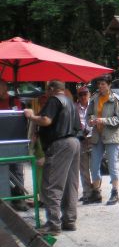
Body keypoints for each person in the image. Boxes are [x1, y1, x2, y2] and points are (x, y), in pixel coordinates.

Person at [23, 80, 81, 235]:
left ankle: (53, 224)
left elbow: (46, 120)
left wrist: (32, 116)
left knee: (51, 185)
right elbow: (78, 127)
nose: (45, 93)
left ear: (52, 89)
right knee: (70, 184)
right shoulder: (71, 102)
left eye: (47, 90)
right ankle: (69, 220)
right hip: (74, 142)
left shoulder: (54, 100)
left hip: (59, 143)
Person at [85, 75, 119, 205]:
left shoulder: (115, 99)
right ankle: (96, 193)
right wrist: (91, 121)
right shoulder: (95, 98)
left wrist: (104, 120)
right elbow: (89, 114)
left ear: (109, 85)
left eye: (103, 84)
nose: (100, 86)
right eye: (99, 84)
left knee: (112, 165)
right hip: (97, 135)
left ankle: (115, 193)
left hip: (112, 136)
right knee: (94, 165)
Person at [0, 79, 29, 211]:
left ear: (5, 87)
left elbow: (23, 119)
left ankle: (19, 199)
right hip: (2, 142)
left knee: (17, 169)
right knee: (3, 171)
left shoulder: (15, 101)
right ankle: (6, 201)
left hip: (15, 141)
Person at [75, 86, 92, 202]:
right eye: (80, 95)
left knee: (95, 167)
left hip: (94, 138)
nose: (83, 97)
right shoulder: (74, 107)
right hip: (81, 139)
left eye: (85, 94)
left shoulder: (94, 105)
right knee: (83, 168)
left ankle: (96, 190)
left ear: (89, 94)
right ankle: (87, 192)